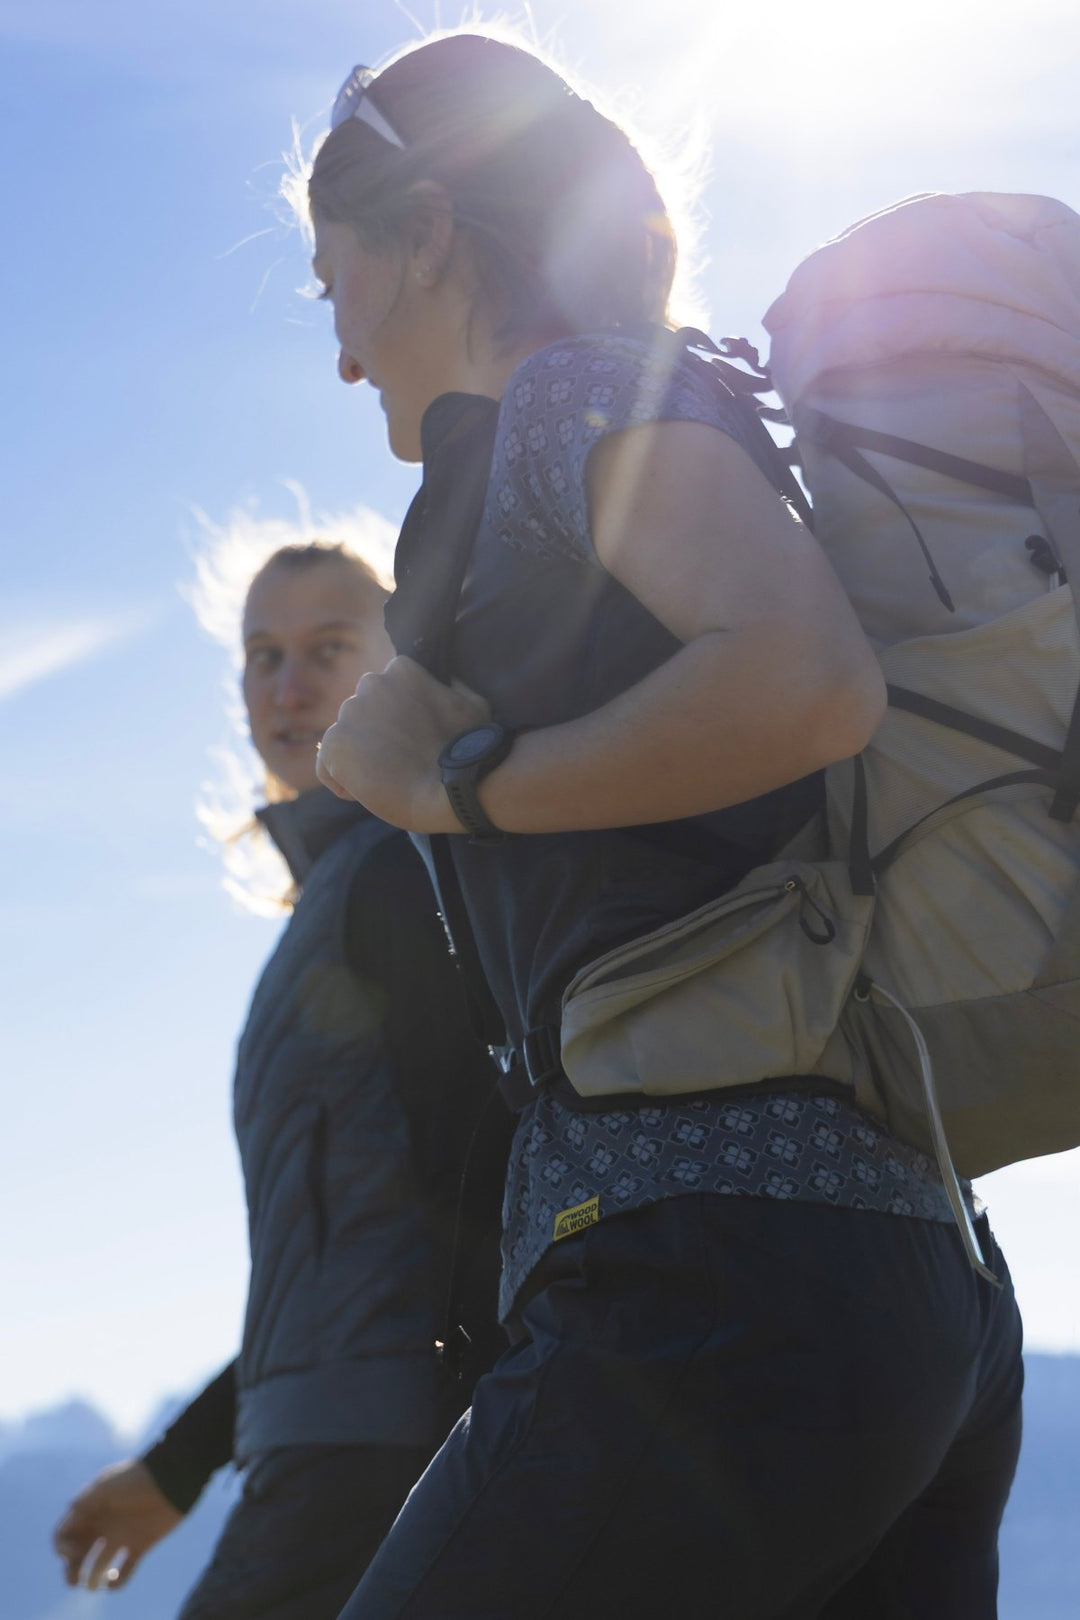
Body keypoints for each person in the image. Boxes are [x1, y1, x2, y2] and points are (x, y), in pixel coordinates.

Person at [305, 32, 1025, 1620]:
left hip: (721, 1283)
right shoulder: (543, 466)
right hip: (884, 1279)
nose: (344, 353)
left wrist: (457, 789)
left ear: (426, 233)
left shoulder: (574, 400)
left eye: (330, 279)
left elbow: (804, 681)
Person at [53, 537, 506, 1620]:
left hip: (377, 1455)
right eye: (262, 654)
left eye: (326, 649)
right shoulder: (341, 894)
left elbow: (476, 1168)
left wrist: (473, 1444)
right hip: (330, 1443)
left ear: (398, 665)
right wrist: (180, 1466)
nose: (286, 687)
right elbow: (332, 1265)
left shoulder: (399, 878)